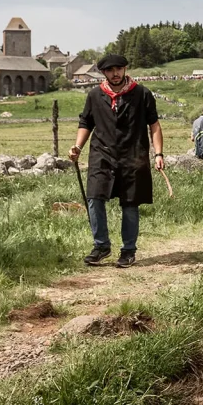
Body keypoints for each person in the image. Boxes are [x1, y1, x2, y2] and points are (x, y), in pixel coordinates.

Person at [69, 54, 164, 268]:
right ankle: (101, 246)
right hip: (101, 154)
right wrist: (78, 147)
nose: (115, 73)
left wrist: (158, 154)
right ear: (103, 72)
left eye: (118, 69)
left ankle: (128, 250)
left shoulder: (142, 94)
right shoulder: (95, 95)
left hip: (133, 156)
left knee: (130, 203)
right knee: (94, 197)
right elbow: (86, 122)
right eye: (110, 70)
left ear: (125, 69)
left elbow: (154, 125)